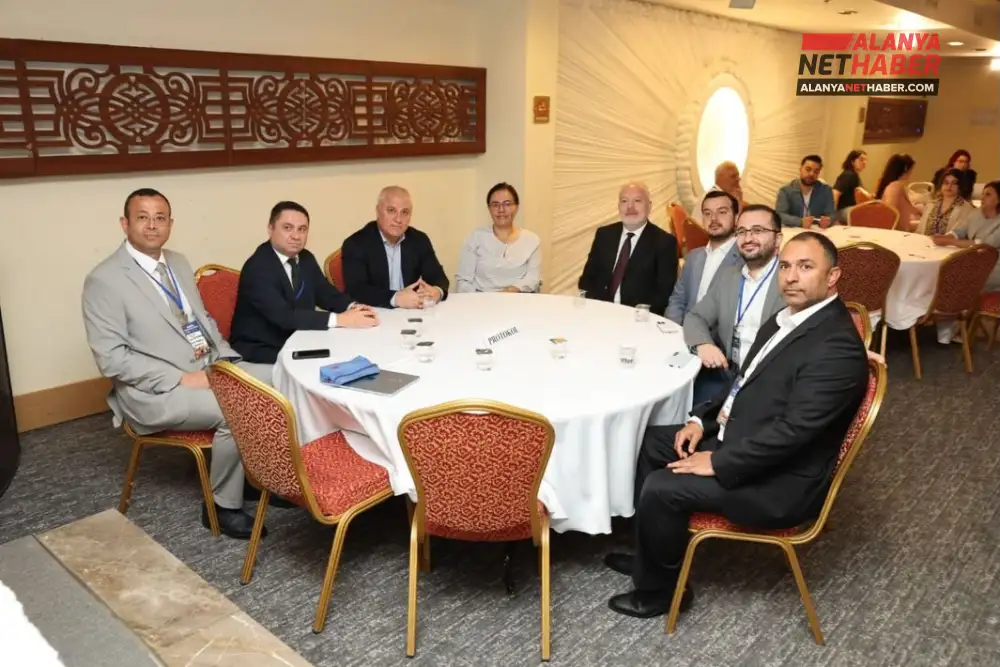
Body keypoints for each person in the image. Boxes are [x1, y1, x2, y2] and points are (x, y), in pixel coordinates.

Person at [604, 231, 869, 619]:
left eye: (806, 267)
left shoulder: (837, 347)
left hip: (779, 481)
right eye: (785, 266)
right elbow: (742, 382)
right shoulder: (785, 319)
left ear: (833, 277)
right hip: (745, 436)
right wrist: (701, 421)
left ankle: (660, 592)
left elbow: (795, 433)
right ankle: (653, 555)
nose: (791, 277)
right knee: (651, 443)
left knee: (663, 486)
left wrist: (717, 461)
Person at [82, 189, 272, 539]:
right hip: (155, 390)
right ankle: (221, 506)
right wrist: (182, 378)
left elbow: (202, 320)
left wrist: (225, 359)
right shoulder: (104, 281)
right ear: (125, 224)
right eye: (142, 217)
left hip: (208, 366)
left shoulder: (179, 263)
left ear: (170, 224)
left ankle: (251, 476)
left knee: (278, 381)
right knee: (237, 408)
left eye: (160, 218)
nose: (152, 225)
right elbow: (112, 359)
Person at [229, 201, 379, 366]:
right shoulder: (258, 267)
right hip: (262, 349)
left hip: (299, 338)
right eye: (287, 228)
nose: (296, 236)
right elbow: (284, 317)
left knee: (356, 353)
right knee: (333, 364)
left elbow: (325, 293)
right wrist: (341, 319)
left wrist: (353, 307)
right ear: (270, 229)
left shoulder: (305, 258)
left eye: (302, 229)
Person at [683, 205, 785, 405]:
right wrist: (703, 344)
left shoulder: (790, 280)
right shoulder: (729, 275)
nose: (748, 238)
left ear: (778, 239)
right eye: (741, 232)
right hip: (727, 374)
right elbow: (696, 316)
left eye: (757, 230)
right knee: (683, 409)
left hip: (769, 382)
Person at [578, 182, 678, 315]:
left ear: (649, 206)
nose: (630, 207)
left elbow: (664, 293)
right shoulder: (604, 235)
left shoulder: (664, 242)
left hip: (638, 317)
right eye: (624, 201)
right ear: (618, 206)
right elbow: (586, 279)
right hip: (599, 312)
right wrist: (597, 307)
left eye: (637, 201)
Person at [342, 186, 450, 309]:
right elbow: (356, 290)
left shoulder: (419, 240)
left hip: (412, 311)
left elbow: (438, 277)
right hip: (376, 313)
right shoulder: (356, 244)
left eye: (405, 212)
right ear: (378, 211)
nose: (398, 219)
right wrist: (395, 298)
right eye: (391, 210)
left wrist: (437, 292)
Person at [666, 190, 741, 325]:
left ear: (736, 218)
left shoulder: (744, 259)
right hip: (683, 331)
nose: (713, 218)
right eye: (707, 213)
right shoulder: (693, 257)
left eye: (722, 212)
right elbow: (677, 299)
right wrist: (673, 329)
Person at [455, 183, 541, 293]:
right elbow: (463, 280)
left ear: (516, 207)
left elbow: (533, 278)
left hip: (518, 298)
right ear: (489, 208)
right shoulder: (475, 238)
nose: (501, 210)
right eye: (495, 205)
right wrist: (482, 299)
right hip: (481, 299)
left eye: (507, 204)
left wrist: (510, 291)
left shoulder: (531, 240)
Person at [775, 155, 835, 228]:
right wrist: (800, 222)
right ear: (800, 169)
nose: (812, 174)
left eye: (816, 171)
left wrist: (828, 220)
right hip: (793, 230)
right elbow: (780, 215)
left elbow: (832, 214)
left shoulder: (826, 190)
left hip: (816, 230)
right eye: (808, 169)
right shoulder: (785, 190)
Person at [915, 169, 975, 236]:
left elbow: (958, 235)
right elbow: (919, 231)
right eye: (946, 183)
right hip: (924, 241)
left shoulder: (966, 209)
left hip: (948, 242)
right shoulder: (931, 205)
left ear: (960, 186)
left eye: (954, 183)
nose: (949, 186)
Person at [874, 153, 923, 228]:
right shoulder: (895, 187)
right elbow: (891, 214)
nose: (911, 172)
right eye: (911, 169)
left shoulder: (894, 186)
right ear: (906, 168)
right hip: (897, 231)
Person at [832, 149, 869, 218]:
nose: (864, 162)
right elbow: (835, 193)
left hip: (850, 209)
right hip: (843, 211)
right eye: (861, 160)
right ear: (852, 161)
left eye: (865, 160)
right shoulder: (848, 175)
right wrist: (831, 216)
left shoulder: (854, 176)